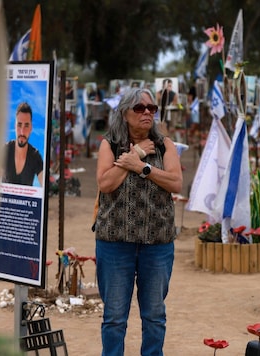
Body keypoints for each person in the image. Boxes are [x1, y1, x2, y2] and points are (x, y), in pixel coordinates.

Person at [94, 87, 183, 356]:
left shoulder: (165, 144)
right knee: (114, 318)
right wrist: (133, 158)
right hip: (114, 244)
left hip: (156, 244)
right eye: (140, 108)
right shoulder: (109, 144)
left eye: (152, 109)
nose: (147, 113)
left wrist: (143, 167)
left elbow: (176, 183)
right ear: (125, 113)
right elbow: (105, 183)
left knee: (155, 317)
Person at [2, 102, 44, 186]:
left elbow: (44, 185)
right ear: (15, 126)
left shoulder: (35, 156)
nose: (22, 132)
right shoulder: (5, 151)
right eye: (19, 125)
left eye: (26, 126)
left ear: (31, 128)